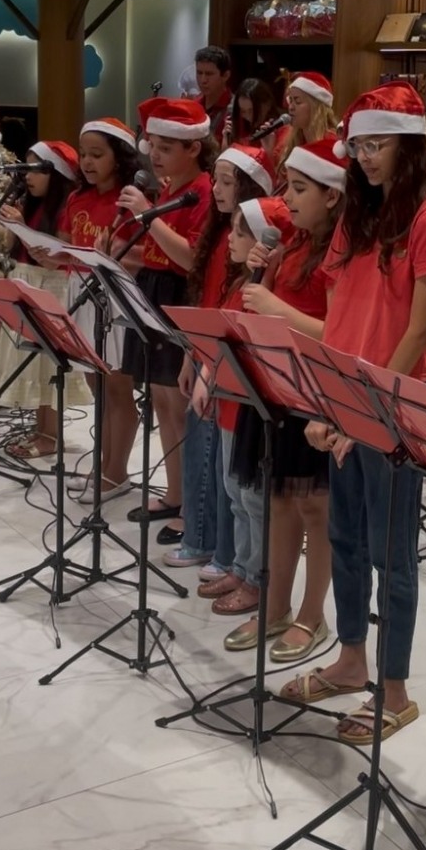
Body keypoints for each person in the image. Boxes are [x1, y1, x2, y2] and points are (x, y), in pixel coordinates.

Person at [280, 82, 426, 744]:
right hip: (345, 399)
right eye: (360, 146)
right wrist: (330, 401)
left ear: (407, 148)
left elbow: (417, 328)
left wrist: (372, 409)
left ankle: (397, 690)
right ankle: (351, 659)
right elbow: (341, 316)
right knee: (346, 541)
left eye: (378, 145)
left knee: (393, 555)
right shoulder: (353, 217)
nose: (367, 157)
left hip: (393, 409)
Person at [222, 137, 346, 663]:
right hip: (275, 385)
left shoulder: (341, 252)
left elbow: (340, 333)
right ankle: (274, 606)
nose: (287, 199)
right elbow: (257, 309)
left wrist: (279, 309)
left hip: (313, 390)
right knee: (277, 501)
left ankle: (312, 616)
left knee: (314, 508)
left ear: (334, 196)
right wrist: (262, 272)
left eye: (299, 189)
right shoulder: (291, 243)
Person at [166, 142, 276, 572]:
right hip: (205, 355)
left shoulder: (250, 249)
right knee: (205, 457)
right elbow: (204, 303)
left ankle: (224, 553)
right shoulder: (220, 239)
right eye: (216, 178)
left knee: (226, 471)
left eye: (228, 181)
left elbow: (232, 315)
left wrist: (208, 364)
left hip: (225, 366)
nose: (215, 188)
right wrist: (189, 358)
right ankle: (203, 540)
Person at [117, 98, 213, 542]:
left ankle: (191, 505)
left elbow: (190, 258)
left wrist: (147, 217)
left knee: (178, 405)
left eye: (166, 147)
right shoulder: (171, 187)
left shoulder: (203, 192)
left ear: (194, 148)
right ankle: (175, 493)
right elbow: (157, 254)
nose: (154, 156)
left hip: (179, 298)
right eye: (152, 145)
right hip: (154, 292)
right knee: (159, 400)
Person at [58, 118, 142, 501]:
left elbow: (142, 258)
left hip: (115, 296)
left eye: (97, 154)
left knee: (118, 388)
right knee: (97, 387)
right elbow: (65, 243)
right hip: (81, 290)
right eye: (84, 155)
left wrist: (116, 254)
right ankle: (104, 464)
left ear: (119, 157)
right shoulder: (78, 197)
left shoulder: (129, 201)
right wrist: (51, 252)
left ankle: (117, 473)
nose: (88, 162)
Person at [192, 205, 265, 615]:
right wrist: (206, 374)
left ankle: (256, 577)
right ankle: (241, 566)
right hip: (228, 402)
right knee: (234, 493)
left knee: (252, 498)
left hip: (248, 406)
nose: (231, 239)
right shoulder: (238, 284)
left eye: (242, 233)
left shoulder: (259, 290)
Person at [0, 140, 87, 459]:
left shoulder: (64, 208)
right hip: (27, 283)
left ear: (56, 173)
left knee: (49, 365)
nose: (28, 177)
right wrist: (12, 226)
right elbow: (14, 248)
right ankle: (40, 430)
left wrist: (21, 228)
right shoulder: (29, 204)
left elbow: (56, 256)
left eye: (37, 170)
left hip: (52, 288)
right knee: (33, 364)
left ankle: (50, 436)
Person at [226, 76, 291, 171]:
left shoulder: (284, 132)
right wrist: (226, 144)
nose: (248, 117)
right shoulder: (238, 124)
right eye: (243, 111)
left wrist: (268, 151)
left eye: (252, 111)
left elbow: (280, 175)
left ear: (268, 104)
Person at [279, 72, 338, 169]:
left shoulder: (332, 145)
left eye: (297, 101)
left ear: (316, 108)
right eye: (290, 100)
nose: (291, 107)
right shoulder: (295, 140)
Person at [194, 45, 233, 145]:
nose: (203, 80)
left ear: (225, 76)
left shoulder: (235, 109)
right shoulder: (194, 105)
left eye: (209, 74)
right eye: (199, 73)